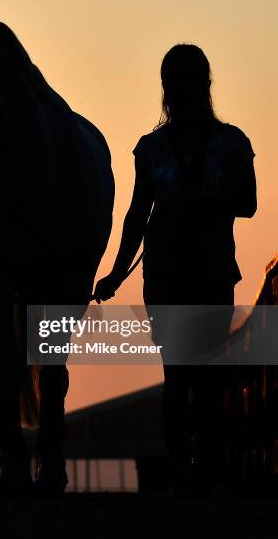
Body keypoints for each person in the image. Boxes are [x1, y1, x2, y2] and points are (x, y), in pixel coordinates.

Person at [94, 43, 257, 496]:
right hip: (185, 275)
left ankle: (193, 475)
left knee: (187, 377)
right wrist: (116, 272)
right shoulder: (211, 145)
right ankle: (194, 476)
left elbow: (247, 203)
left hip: (196, 273)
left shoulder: (217, 145)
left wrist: (117, 271)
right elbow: (135, 216)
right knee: (190, 376)